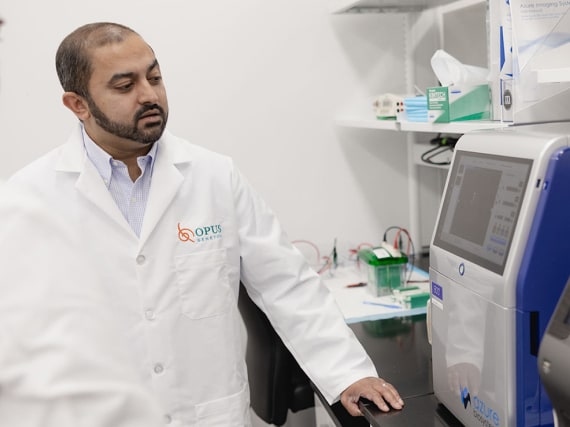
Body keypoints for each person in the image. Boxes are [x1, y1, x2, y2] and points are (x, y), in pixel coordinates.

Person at [8, 22, 404, 425]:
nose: (149, 95)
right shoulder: (29, 199)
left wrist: (348, 372)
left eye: (154, 77)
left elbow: (287, 283)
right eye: (125, 86)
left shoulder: (215, 176)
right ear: (78, 104)